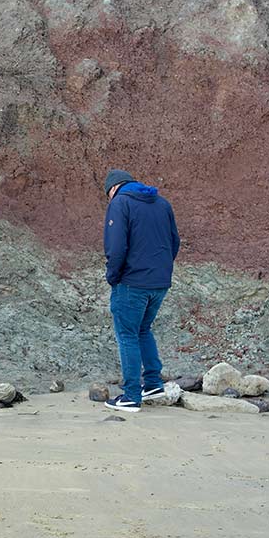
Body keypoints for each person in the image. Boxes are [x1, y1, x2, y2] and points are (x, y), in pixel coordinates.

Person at [102, 169, 180, 413]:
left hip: (131, 282)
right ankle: (154, 384)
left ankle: (132, 395)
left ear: (113, 188)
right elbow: (174, 241)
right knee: (143, 330)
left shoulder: (120, 204)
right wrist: (161, 270)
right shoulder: (162, 204)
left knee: (127, 335)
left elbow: (116, 246)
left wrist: (113, 276)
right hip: (159, 283)